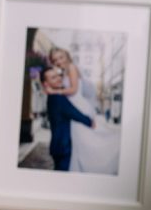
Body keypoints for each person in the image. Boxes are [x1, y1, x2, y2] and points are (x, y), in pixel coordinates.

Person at [46, 46, 120, 174]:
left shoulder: (71, 67)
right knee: (78, 141)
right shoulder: (63, 71)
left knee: (84, 139)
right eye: (55, 60)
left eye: (61, 57)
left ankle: (90, 166)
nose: (58, 61)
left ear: (67, 56)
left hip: (78, 105)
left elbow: (73, 89)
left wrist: (55, 91)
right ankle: (78, 168)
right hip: (72, 105)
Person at [41, 65, 94, 171]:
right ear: (46, 84)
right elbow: (73, 112)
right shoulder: (58, 98)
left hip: (58, 145)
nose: (58, 78)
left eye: (58, 75)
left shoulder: (53, 96)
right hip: (63, 146)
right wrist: (89, 121)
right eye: (53, 77)